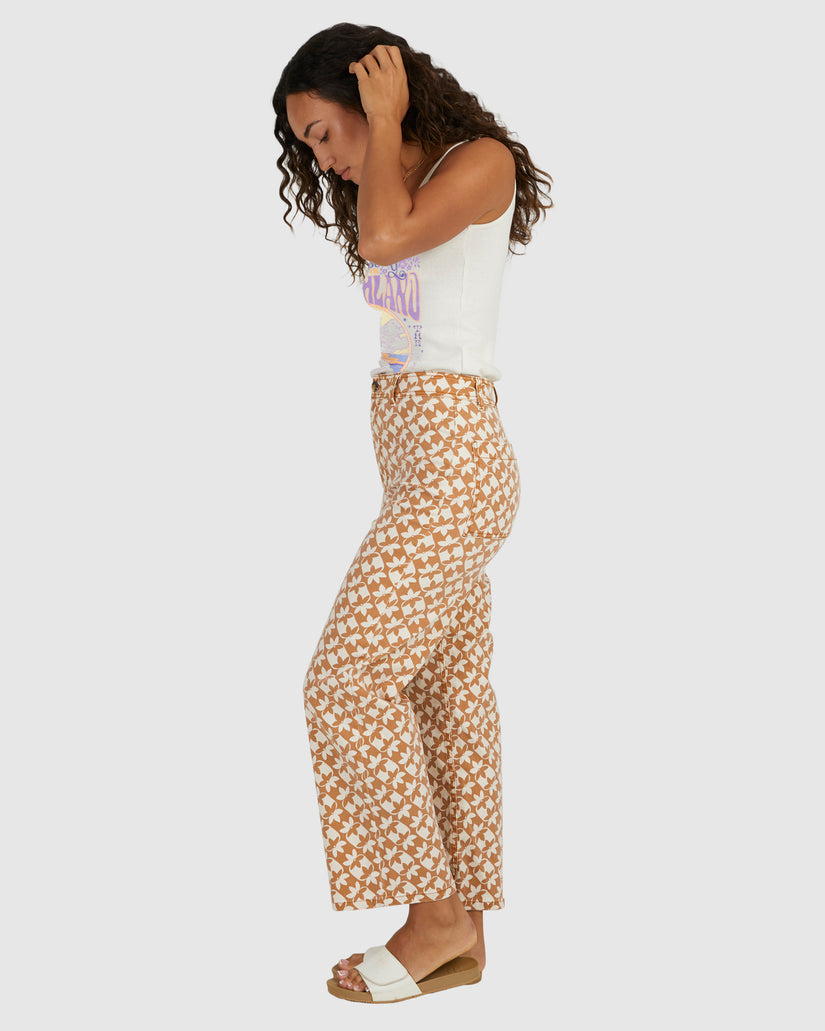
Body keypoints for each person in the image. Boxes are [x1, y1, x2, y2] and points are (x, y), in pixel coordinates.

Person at [271, 22, 552, 1004]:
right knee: (445, 695)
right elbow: (397, 305)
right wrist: (377, 149)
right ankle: (462, 929)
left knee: (345, 681)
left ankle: (429, 916)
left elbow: (386, 244)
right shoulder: (401, 189)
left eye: (325, 134)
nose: (325, 161)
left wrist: (384, 124)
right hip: (416, 463)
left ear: (374, 96)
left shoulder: (481, 162)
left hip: (454, 461)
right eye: (308, 148)